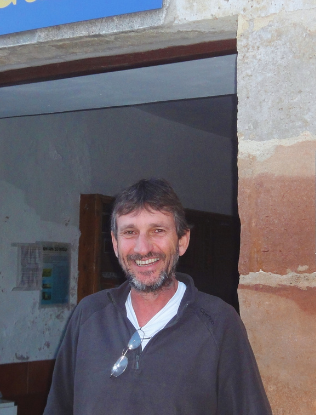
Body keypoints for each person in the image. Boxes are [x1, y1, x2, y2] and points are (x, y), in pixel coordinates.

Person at [44, 178, 272, 415]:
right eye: (130, 232)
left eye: (158, 231)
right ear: (115, 243)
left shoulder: (219, 323)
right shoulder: (89, 316)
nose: (142, 248)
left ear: (182, 241)